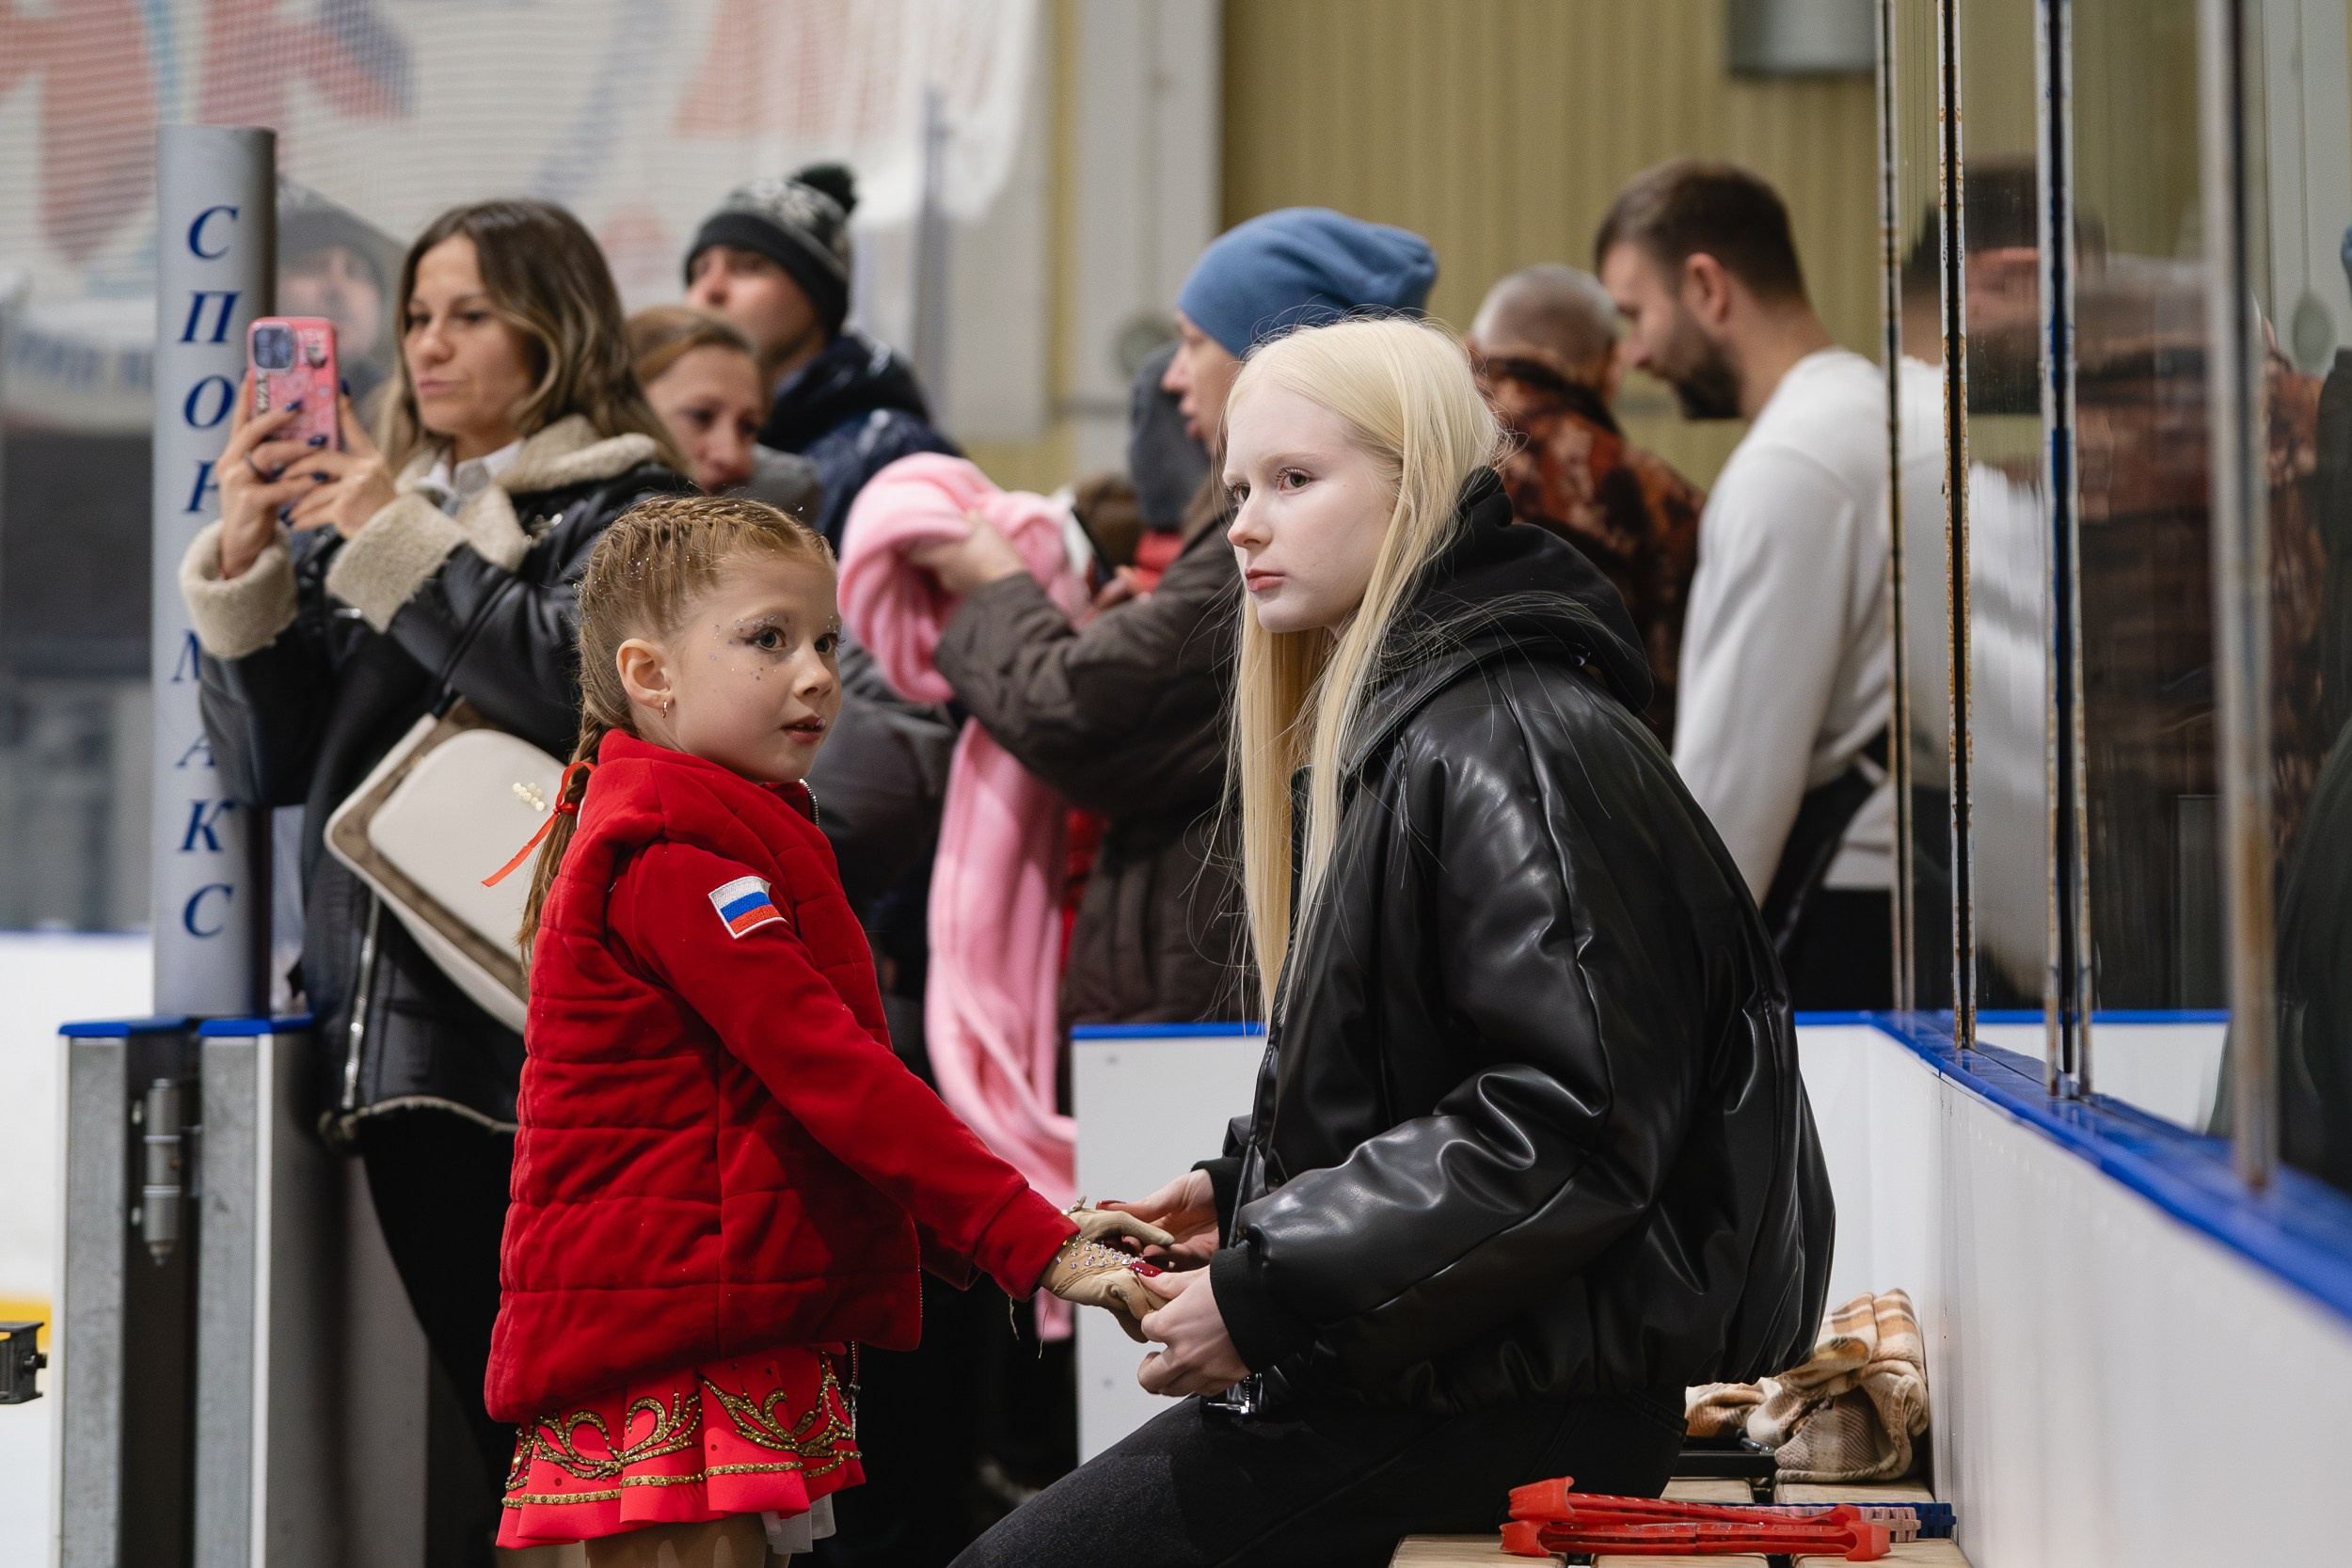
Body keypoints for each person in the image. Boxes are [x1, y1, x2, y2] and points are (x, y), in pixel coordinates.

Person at [953, 317, 1832, 1568]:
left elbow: (1568, 1120)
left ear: (1417, 485)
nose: (1245, 524)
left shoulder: (1505, 738)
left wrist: (1269, 1289)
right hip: (1450, 1372)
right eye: (1239, 488)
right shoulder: (1443, 723)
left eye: (1294, 481)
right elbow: (1445, 1071)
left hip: (1494, 1402)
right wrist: (1243, 1185)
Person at [485, 493, 1170, 1562]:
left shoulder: (718, 832)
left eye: (825, 642)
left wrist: (1008, 1234)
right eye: (768, 639)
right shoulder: (676, 858)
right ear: (648, 673)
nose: (814, 673)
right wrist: (1032, 1241)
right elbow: (839, 1075)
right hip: (675, 1328)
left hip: (701, 1309)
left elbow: (820, 1094)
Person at [180, 198, 697, 1560]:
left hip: (554, 1033)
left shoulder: (631, 503)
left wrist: (393, 533)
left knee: (576, 1432)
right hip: (396, 1040)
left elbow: (568, 682)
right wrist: (245, 569)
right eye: (416, 315)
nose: (429, 344)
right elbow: (272, 760)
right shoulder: (388, 507)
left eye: (470, 312)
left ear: (556, 322)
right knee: (509, 1431)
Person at [913, 206, 1438, 1027]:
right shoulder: (1250, 554)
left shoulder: (1270, 570)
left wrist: (996, 584)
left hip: (1213, 997)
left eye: (1196, 339)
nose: (1169, 375)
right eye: (1246, 493)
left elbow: (1083, 712)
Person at [1596, 159, 1893, 1007]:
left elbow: (1730, 799)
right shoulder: (1873, 410)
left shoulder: (1790, 465)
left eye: (1636, 312)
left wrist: (1653, 999)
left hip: (1842, 920)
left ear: (1706, 286)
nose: (1637, 352)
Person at [1467, 262, 1705, 740]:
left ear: (1473, 348)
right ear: (1611, 368)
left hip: (1415, 773)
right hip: (1599, 783)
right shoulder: (1656, 496)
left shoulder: (1416, 453)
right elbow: (1681, 691)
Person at [685, 163, 958, 544]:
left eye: (749, 267)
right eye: (699, 270)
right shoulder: (675, 434)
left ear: (818, 297)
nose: (710, 291)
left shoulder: (890, 450)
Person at [627, 303, 819, 515]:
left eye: (748, 427)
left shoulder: (786, 510)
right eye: (702, 416)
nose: (731, 457)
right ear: (625, 410)